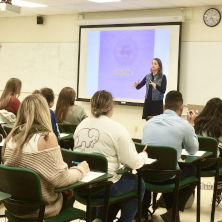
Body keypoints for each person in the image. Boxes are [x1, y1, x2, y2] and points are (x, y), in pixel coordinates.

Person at [2, 94, 89, 219]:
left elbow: (29, 173)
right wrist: (81, 170)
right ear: (44, 112)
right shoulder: (46, 137)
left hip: (13, 207)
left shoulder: (10, 139)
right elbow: (61, 179)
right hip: (40, 209)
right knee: (70, 194)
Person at [73, 90, 148, 222]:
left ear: (91, 105)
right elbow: (134, 163)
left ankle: (101, 218)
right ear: (111, 107)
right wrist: (143, 155)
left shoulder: (80, 126)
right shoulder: (117, 129)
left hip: (79, 187)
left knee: (113, 177)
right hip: (101, 189)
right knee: (138, 184)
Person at [142, 90, 199, 222]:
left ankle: (147, 214)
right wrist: (191, 125)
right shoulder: (184, 125)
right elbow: (193, 150)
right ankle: (173, 211)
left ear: (163, 107)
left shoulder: (149, 122)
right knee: (193, 171)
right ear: (181, 108)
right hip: (169, 177)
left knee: (172, 168)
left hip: (146, 176)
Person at [194, 97, 222, 204]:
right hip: (213, 164)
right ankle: (217, 193)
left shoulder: (197, 123)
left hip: (196, 162)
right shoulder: (219, 127)